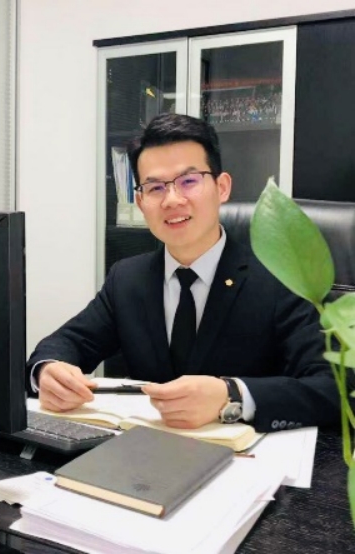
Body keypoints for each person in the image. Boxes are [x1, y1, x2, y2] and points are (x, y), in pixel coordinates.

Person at [26, 113, 340, 433]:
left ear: (222, 187)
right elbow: (64, 343)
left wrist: (231, 395)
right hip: (145, 455)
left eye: (189, 181)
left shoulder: (281, 279)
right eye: (155, 187)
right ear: (141, 202)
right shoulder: (127, 279)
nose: (172, 200)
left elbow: (333, 388)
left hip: (247, 456)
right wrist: (47, 371)